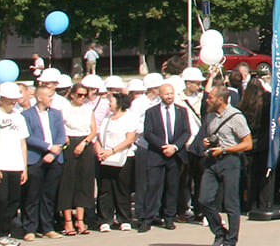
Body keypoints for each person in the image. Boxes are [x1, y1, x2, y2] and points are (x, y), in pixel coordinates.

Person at [195, 81, 252, 246]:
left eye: (210, 97)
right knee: (204, 199)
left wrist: (226, 148)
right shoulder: (210, 116)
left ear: (221, 100)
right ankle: (220, 232)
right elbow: (212, 136)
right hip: (213, 160)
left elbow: (247, 144)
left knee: (231, 203)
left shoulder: (236, 117)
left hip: (230, 161)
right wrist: (207, 141)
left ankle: (231, 241)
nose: (207, 100)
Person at [136, 77, 192, 233]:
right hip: (157, 154)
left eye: (171, 93)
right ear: (160, 95)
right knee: (153, 186)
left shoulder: (181, 111)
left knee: (172, 187)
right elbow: (148, 133)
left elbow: (186, 131)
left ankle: (169, 217)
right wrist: (163, 147)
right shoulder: (151, 112)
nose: (169, 96)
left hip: (175, 155)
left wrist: (174, 147)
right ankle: (147, 218)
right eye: (166, 94)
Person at [0, 83, 30, 246]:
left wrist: (24, 168)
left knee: (13, 200)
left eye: (14, 100)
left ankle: (4, 233)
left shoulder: (19, 117)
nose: (12, 103)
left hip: (15, 165)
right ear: (1, 99)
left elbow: (23, 144)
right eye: (9, 100)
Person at [21, 79, 67, 240]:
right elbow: (27, 136)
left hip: (54, 158)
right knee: (32, 195)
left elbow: (61, 135)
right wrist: (47, 147)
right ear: (39, 97)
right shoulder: (26, 115)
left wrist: (54, 152)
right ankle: (29, 229)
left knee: (49, 195)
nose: (51, 98)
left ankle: (47, 226)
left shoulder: (55, 114)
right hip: (36, 158)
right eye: (48, 96)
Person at [56, 75, 100, 235]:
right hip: (69, 143)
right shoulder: (65, 108)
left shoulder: (88, 109)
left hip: (85, 143)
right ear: (72, 94)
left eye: (85, 94)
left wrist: (85, 143)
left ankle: (80, 220)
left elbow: (93, 130)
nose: (83, 98)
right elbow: (60, 126)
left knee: (84, 181)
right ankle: (68, 221)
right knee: (68, 182)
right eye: (79, 95)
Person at [94, 90, 136, 232]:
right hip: (106, 158)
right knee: (105, 189)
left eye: (111, 102)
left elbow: (129, 139)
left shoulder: (129, 118)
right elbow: (99, 138)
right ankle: (105, 219)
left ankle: (124, 218)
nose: (109, 104)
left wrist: (112, 151)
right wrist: (100, 151)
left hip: (122, 157)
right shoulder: (106, 119)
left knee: (122, 189)